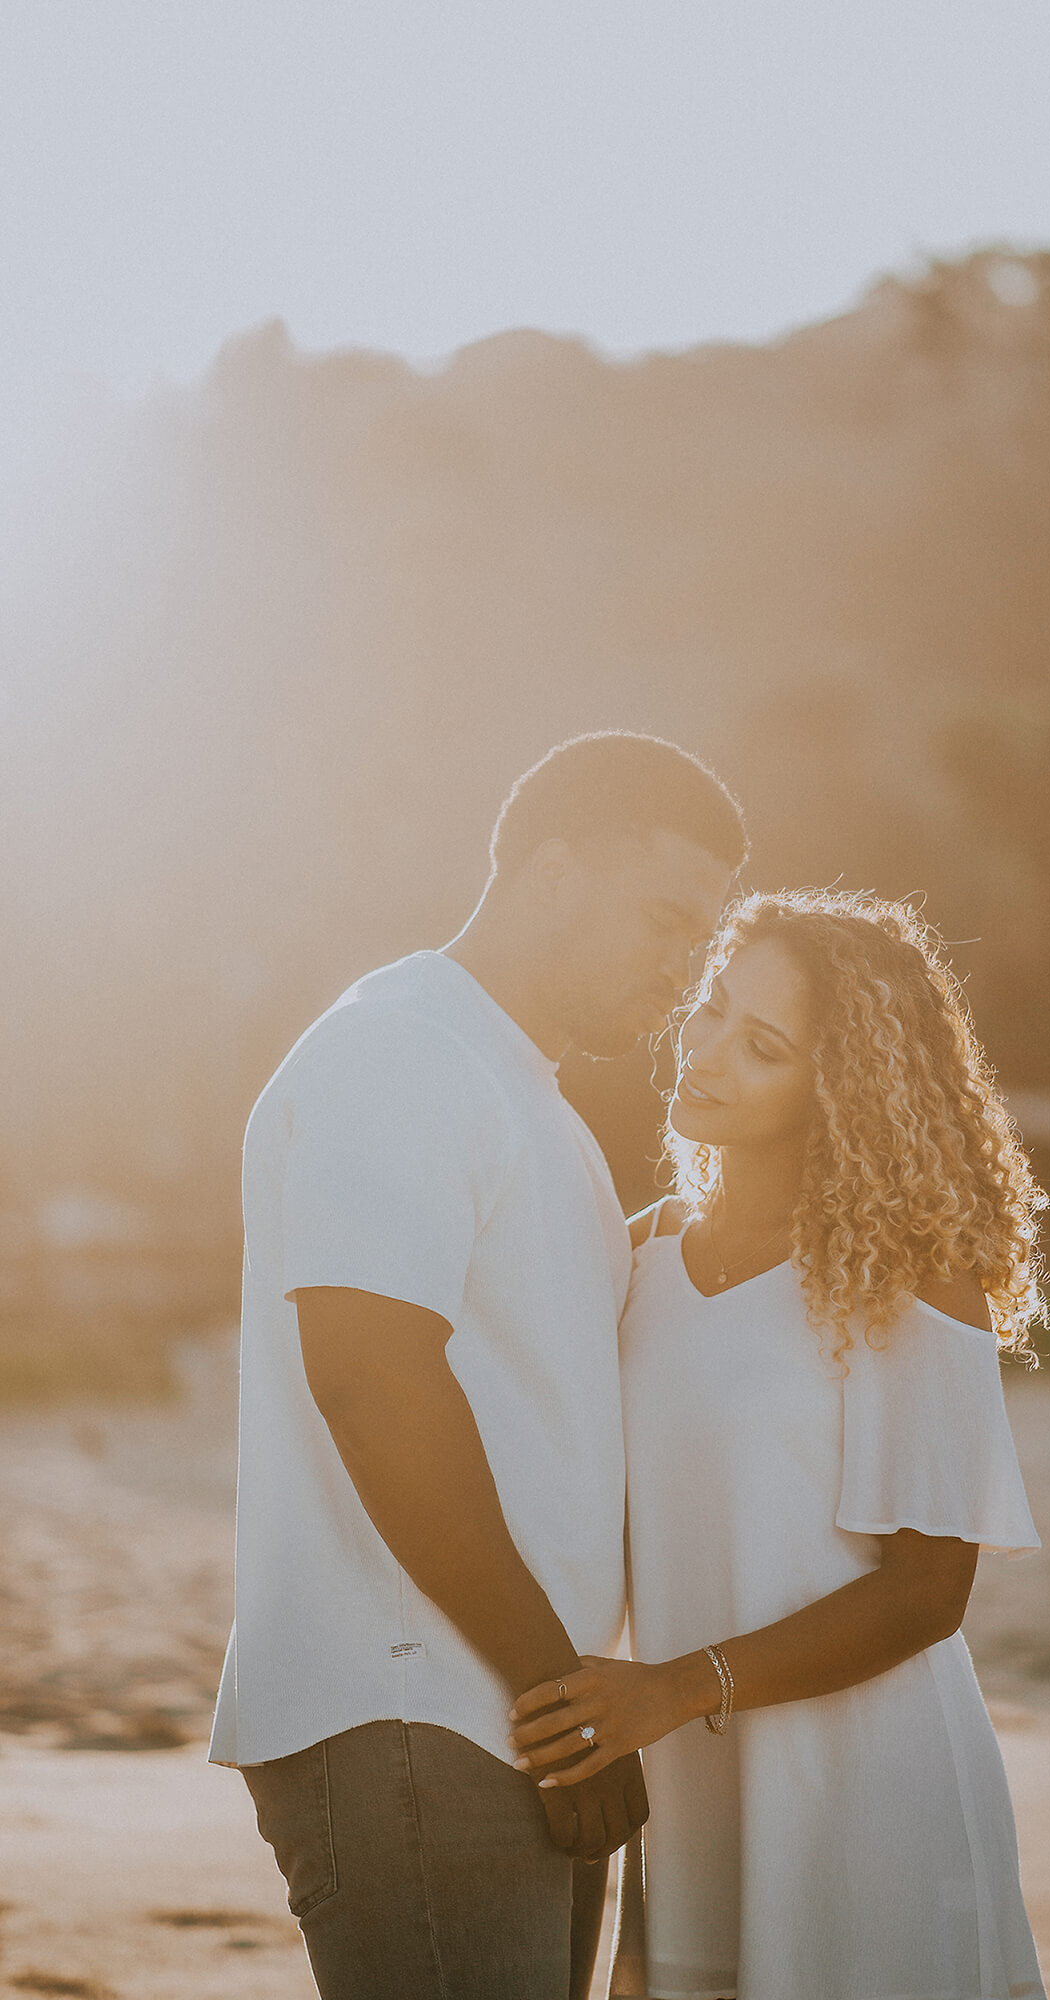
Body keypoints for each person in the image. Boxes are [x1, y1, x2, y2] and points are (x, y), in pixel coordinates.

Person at [209, 731, 746, 2000]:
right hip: (424, 1709)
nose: (681, 973)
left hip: (501, 1712)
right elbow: (372, 1377)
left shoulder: (527, 1098)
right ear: (553, 873)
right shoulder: (398, 1050)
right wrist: (557, 1688)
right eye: (664, 920)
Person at [510, 887, 1050, 2000]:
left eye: (760, 1045)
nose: (703, 1052)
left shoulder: (912, 1278)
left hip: (868, 1787)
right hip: (697, 1788)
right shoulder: (639, 1255)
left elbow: (925, 1592)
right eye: (708, 1010)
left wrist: (671, 1687)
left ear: (836, 1090)